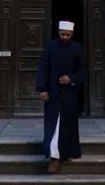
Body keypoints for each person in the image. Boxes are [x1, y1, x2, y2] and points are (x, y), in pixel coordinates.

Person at [35, 20, 87, 173]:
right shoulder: (51, 46)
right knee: (54, 125)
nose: (65, 37)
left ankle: (69, 151)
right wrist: (42, 88)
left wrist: (70, 79)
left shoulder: (77, 48)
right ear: (58, 32)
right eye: (63, 34)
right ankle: (55, 157)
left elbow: (82, 70)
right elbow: (43, 67)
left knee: (69, 123)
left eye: (68, 35)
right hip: (52, 92)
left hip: (69, 93)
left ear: (72, 34)